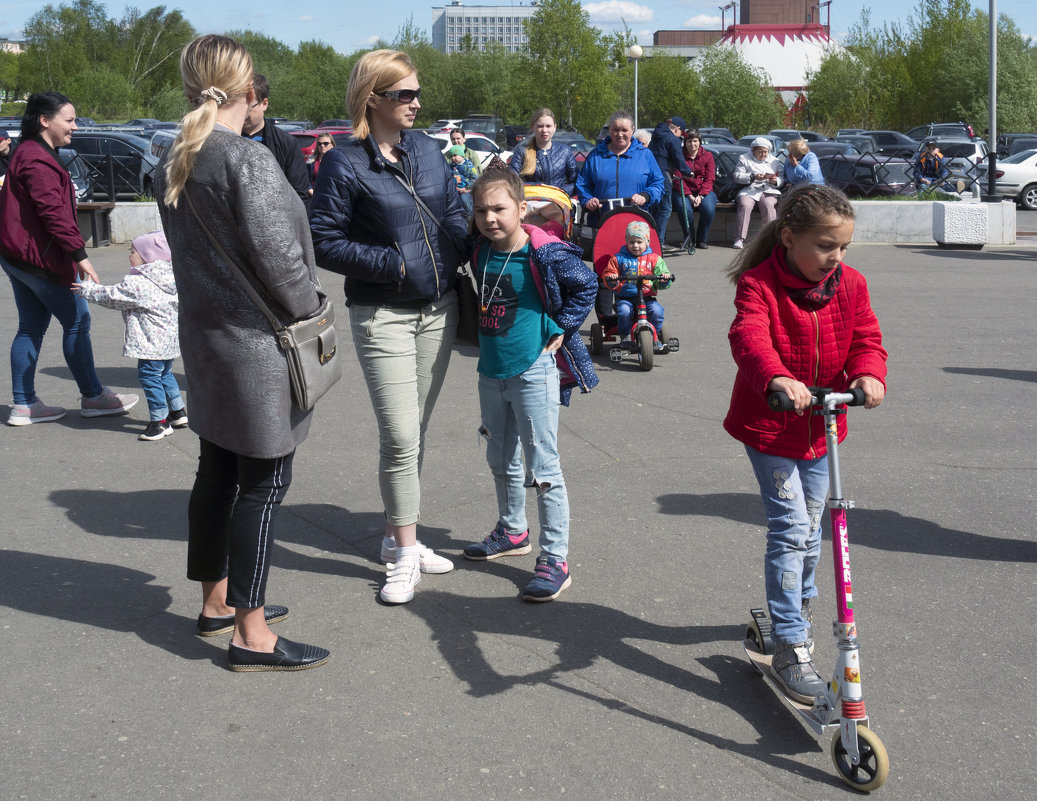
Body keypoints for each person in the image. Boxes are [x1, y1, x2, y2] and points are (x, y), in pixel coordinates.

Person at [156, 34, 330, 672]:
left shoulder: (173, 156)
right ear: (246, 83)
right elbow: (282, 263)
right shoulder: (243, 160)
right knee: (265, 481)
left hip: (205, 340)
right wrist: (312, 307)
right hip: (257, 348)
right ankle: (251, 636)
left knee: (216, 473)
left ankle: (218, 601)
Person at [309, 48, 468, 605]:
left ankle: (396, 534)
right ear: (371, 98)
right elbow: (323, 238)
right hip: (382, 315)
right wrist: (393, 264)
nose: (416, 103)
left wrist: (485, 243)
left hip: (439, 310)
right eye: (405, 94)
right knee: (400, 436)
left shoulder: (427, 149)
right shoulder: (344, 162)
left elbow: (451, 214)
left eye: (417, 92)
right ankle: (404, 555)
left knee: (415, 429)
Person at [723, 183, 887, 704]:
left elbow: (866, 338)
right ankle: (791, 644)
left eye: (842, 248)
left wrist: (868, 374)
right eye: (824, 246)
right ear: (789, 237)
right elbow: (748, 337)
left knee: (814, 529)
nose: (834, 258)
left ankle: (793, 613)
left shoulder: (851, 285)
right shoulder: (759, 284)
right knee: (793, 528)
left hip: (823, 429)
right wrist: (776, 378)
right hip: (771, 427)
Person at [462, 167, 598, 601]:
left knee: (544, 468)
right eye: (481, 210)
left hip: (533, 371)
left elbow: (587, 284)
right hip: (491, 371)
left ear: (521, 209)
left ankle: (555, 557)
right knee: (500, 457)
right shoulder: (480, 250)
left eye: (499, 209)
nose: (490, 218)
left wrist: (563, 325)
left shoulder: (543, 252)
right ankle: (512, 531)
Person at [0, 91, 139, 426]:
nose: (74, 127)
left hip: (20, 256)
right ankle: (93, 396)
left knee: (31, 327)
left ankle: (24, 404)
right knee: (77, 321)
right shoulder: (35, 158)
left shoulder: (29, 153)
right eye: (69, 119)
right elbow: (53, 214)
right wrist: (80, 255)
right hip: (39, 259)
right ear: (45, 120)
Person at [73, 230, 188, 442]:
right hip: (169, 342)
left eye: (133, 251)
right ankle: (177, 411)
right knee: (165, 374)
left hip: (150, 343)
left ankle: (159, 421)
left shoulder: (141, 284)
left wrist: (87, 289)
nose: (130, 256)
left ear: (148, 256)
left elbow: (113, 296)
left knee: (150, 377)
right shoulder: (173, 277)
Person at [575, 111, 666, 222]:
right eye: (616, 130)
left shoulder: (645, 154)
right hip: (601, 222)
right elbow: (583, 183)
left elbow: (658, 184)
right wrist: (588, 200)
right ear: (609, 130)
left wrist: (646, 196)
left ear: (632, 130)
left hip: (636, 224)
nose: (620, 134)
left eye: (624, 130)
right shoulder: (595, 156)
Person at [601, 220, 672, 352]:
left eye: (639, 242)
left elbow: (662, 275)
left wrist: (663, 279)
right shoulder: (618, 258)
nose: (635, 246)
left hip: (647, 297)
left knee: (657, 311)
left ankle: (653, 335)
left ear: (647, 242)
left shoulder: (654, 259)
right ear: (626, 242)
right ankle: (625, 335)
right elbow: (609, 273)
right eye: (631, 242)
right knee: (624, 312)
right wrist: (612, 278)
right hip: (625, 297)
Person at [242, 73, 311, 204]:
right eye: (239, 106)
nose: (242, 112)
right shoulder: (227, 139)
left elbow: (299, 194)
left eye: (249, 107)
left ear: (264, 104)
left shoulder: (286, 143)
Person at [647, 116, 693, 251]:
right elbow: (678, 159)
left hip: (651, 175)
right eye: (681, 133)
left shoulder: (655, 136)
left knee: (654, 209)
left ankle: (651, 239)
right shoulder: (672, 139)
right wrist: (688, 172)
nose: (681, 137)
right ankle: (659, 241)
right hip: (663, 176)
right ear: (677, 129)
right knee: (665, 208)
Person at [508, 108, 578, 195]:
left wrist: (559, 192)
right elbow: (512, 181)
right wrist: (540, 189)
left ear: (554, 128)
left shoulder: (565, 151)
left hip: (557, 203)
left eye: (548, 126)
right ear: (533, 127)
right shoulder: (522, 151)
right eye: (540, 126)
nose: (544, 130)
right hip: (530, 203)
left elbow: (576, 183)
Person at [732, 137, 783, 250]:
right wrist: (752, 177)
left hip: (768, 189)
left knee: (768, 205)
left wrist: (776, 181)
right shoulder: (744, 159)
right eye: (760, 151)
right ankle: (739, 238)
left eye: (765, 151)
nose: (763, 154)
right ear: (754, 150)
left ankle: (771, 238)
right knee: (745, 205)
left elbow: (781, 177)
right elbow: (737, 176)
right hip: (750, 189)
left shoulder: (774, 161)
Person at [673, 129, 717, 253]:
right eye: (689, 141)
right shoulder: (679, 156)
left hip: (704, 191)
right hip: (683, 190)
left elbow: (710, 179)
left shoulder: (708, 156)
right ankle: (689, 238)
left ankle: (701, 239)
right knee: (684, 208)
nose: (692, 144)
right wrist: (690, 196)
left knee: (708, 208)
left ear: (700, 142)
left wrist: (701, 196)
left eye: (695, 141)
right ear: (685, 142)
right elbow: (677, 178)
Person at [447, 144, 479, 213]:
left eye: (455, 155)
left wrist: (466, 187)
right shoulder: (451, 166)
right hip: (455, 189)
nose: (453, 158)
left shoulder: (468, 165)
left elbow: (474, 178)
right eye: (451, 156)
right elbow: (449, 176)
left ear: (461, 155)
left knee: (465, 201)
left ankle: (470, 216)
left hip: (466, 189)